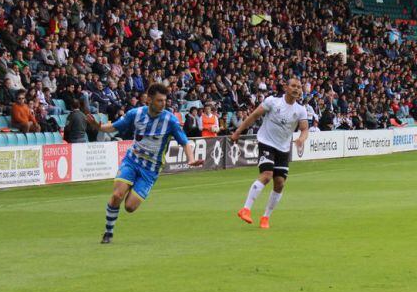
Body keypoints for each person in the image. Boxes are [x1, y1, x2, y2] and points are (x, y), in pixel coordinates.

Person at [86, 84, 204, 244]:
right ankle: (108, 232)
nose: (163, 104)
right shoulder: (136, 114)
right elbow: (114, 126)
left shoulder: (170, 120)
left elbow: (184, 142)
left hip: (150, 170)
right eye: (159, 100)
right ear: (149, 100)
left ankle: (133, 190)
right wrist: (98, 126)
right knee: (116, 195)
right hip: (132, 161)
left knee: (129, 207)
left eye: (164, 100)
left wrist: (190, 159)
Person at [231, 78, 308, 229]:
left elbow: (305, 129)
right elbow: (254, 116)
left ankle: (265, 217)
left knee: (280, 183)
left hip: (283, 148)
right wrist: (238, 132)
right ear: (286, 87)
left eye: (299, 87)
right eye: (293, 86)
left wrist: (301, 139)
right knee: (267, 175)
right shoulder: (272, 102)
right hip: (266, 142)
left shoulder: (301, 110)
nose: (297, 89)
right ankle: (245, 209)